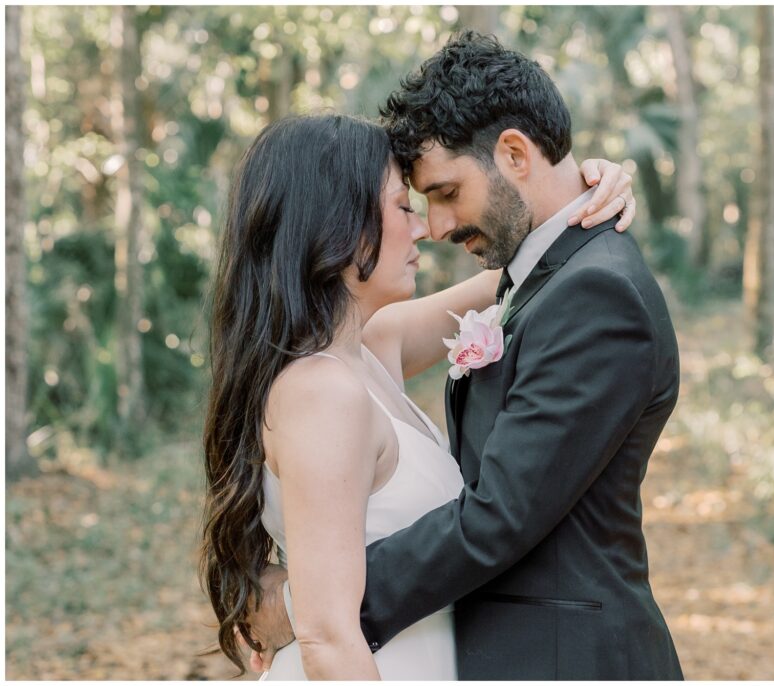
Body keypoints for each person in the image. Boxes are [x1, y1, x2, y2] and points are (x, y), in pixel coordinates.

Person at [247, 31, 683, 680]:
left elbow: (497, 516)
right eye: (410, 204)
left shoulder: (595, 293)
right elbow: (529, 273)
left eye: (444, 194)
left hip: (565, 659)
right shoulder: (526, 286)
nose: (436, 226)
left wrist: (303, 602)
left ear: (513, 153)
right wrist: (582, 191)